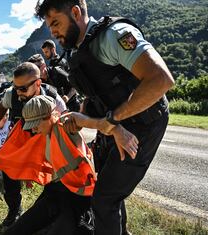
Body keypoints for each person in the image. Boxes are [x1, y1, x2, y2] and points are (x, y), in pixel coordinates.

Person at [35, 1, 174, 234]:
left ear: (76, 13)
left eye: (56, 23)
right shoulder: (77, 50)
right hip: (116, 122)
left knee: (104, 199)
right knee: (105, 187)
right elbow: (101, 92)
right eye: (50, 27)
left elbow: (161, 80)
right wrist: (79, 115)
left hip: (145, 122)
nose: (53, 32)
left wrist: (111, 121)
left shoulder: (115, 36)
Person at [4, 95, 138, 235]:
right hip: (56, 192)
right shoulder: (46, 133)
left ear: (49, 116)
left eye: (36, 124)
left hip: (78, 197)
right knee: (16, 230)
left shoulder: (65, 123)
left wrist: (116, 130)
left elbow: (88, 121)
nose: (33, 130)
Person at [0, 62, 67, 226]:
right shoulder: (12, 94)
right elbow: (0, 108)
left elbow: (66, 118)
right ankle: (14, 210)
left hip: (45, 138)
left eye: (23, 89)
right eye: (16, 87)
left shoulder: (53, 97)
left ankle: (49, 209)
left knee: (55, 174)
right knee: (7, 167)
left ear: (38, 83)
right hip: (20, 136)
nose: (18, 93)